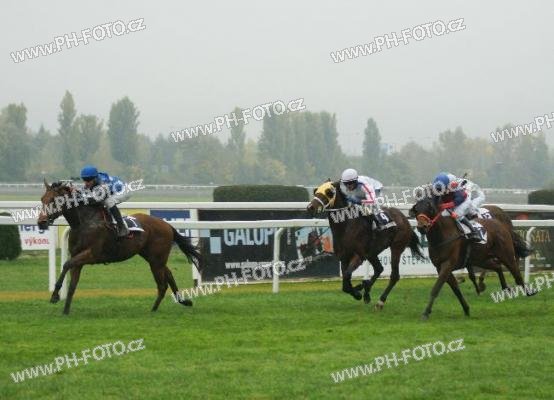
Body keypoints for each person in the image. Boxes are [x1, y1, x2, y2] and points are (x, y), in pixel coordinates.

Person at [80, 165, 130, 237]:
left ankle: (121, 226)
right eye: (84, 180)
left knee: (108, 201)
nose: (86, 183)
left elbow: (95, 199)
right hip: (112, 191)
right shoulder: (94, 181)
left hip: (124, 190)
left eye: (88, 180)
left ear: (95, 179)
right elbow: (84, 195)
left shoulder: (104, 183)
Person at [432, 172, 480, 241]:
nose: (439, 191)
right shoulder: (438, 186)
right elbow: (435, 200)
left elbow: (460, 199)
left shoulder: (456, 187)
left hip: (463, 200)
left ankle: (474, 232)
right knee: (444, 214)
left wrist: (446, 205)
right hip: (452, 200)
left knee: (457, 214)